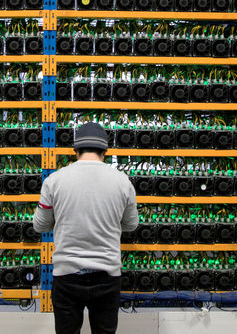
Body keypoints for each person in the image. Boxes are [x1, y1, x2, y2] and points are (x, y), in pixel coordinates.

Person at [33, 122, 139, 334]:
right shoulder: (122, 182)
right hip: (107, 276)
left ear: (76, 150)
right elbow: (131, 224)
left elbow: (40, 225)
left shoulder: (54, 181)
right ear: (104, 151)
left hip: (67, 275)